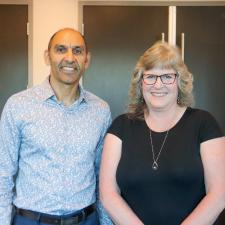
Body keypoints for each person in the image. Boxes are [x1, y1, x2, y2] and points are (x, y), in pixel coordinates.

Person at [99, 41, 225, 225]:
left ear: (179, 82)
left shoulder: (204, 124)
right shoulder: (121, 127)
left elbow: (219, 194)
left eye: (167, 76)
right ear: (140, 83)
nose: (158, 85)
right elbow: (108, 194)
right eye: (150, 77)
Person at [0, 28, 111, 225]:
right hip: (31, 220)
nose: (70, 58)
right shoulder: (18, 106)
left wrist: (105, 222)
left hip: (86, 220)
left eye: (77, 51)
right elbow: (3, 174)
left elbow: (102, 177)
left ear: (87, 59)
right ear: (47, 56)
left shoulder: (100, 111)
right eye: (61, 49)